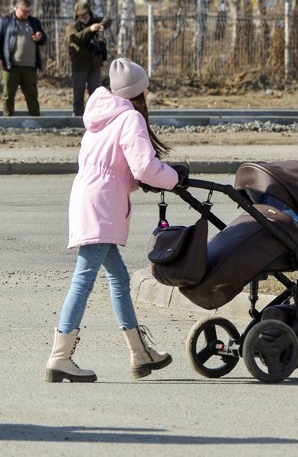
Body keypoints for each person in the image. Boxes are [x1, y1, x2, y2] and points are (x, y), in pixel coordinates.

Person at [45, 58, 190, 383]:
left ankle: (139, 353)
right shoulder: (130, 118)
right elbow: (144, 167)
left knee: (120, 279)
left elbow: (119, 167)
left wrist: (149, 179)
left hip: (89, 198)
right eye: (145, 87)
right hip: (103, 205)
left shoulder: (100, 118)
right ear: (138, 91)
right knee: (84, 279)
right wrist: (174, 177)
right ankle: (60, 357)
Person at [0, 0, 47, 116]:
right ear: (16, 8)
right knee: (8, 95)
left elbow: (43, 40)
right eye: (24, 11)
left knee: (32, 95)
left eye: (28, 11)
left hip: (30, 67)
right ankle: (8, 120)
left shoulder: (34, 22)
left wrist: (40, 37)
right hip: (11, 66)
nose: (27, 13)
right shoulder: (6, 21)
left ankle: (36, 120)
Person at [67, 0, 111, 116]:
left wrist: (101, 25)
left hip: (94, 64)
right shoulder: (73, 27)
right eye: (81, 15)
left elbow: (108, 19)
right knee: (79, 91)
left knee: (96, 92)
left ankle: (95, 115)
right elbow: (77, 38)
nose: (83, 16)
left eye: (85, 14)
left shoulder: (95, 21)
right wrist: (90, 29)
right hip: (79, 65)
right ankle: (78, 115)